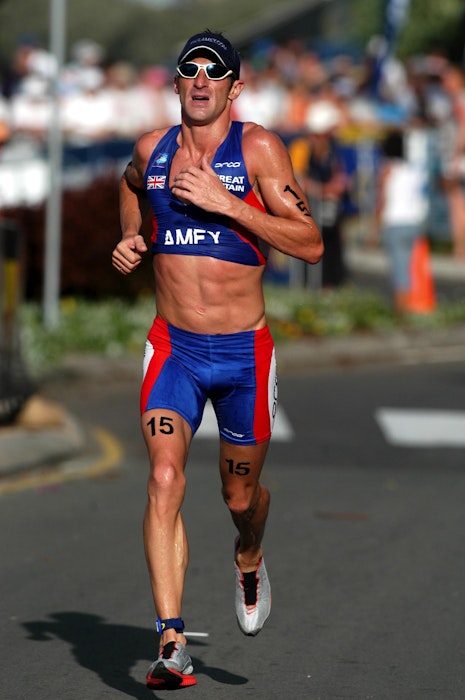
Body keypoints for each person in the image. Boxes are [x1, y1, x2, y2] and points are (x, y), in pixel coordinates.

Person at [111, 30, 323, 690]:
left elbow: (310, 242)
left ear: (234, 88)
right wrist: (133, 235)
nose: (201, 80)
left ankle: (250, 554)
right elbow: (129, 184)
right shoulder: (152, 151)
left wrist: (226, 203)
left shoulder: (257, 148)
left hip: (242, 355)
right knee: (163, 479)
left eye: (215, 71)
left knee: (239, 496)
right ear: (176, 83)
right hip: (173, 348)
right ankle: (171, 641)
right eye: (190, 69)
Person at [371, 129, 428, 313]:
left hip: (394, 222)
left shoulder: (387, 169)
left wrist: (375, 228)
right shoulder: (411, 169)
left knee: (399, 268)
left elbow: (382, 200)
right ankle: (410, 304)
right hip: (413, 222)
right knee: (408, 266)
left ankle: (402, 309)